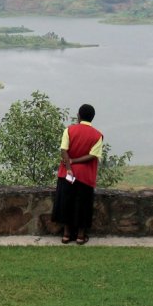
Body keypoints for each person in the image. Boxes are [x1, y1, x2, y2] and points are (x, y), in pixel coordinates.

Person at [52, 104, 104, 245]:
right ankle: (81, 236)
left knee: (66, 203)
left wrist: (69, 165)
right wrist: (75, 161)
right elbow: (93, 155)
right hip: (86, 176)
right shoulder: (97, 135)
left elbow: (64, 150)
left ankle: (66, 235)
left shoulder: (69, 130)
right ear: (92, 117)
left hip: (67, 174)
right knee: (83, 205)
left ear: (79, 116)